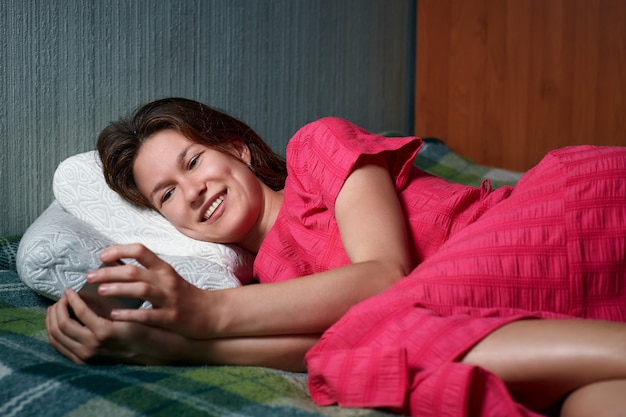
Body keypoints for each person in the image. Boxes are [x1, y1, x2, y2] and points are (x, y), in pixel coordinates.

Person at [46, 97, 626, 417]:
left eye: (193, 161)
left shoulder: (317, 149)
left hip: (550, 225)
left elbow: (382, 277)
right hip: (514, 319)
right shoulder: (266, 286)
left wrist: (201, 317)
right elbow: (334, 346)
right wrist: (163, 346)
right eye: (166, 194)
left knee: (359, 350)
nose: (191, 190)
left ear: (236, 148)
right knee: (590, 402)